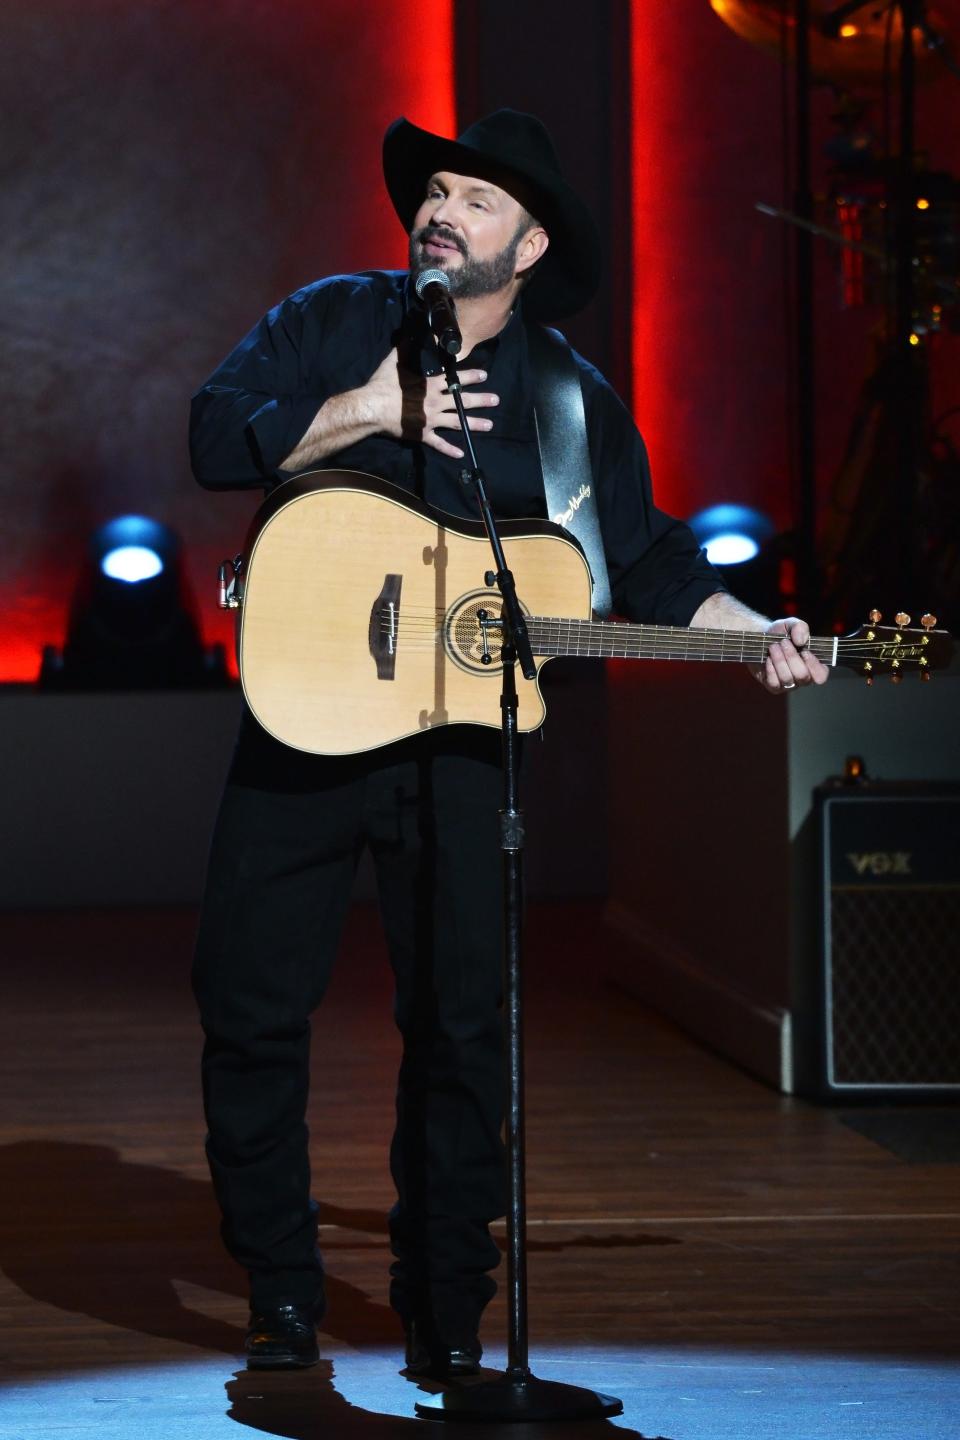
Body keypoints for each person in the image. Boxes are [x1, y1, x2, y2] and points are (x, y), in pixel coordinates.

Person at [188, 108, 828, 1377]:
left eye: (476, 201)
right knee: (251, 1011)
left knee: (464, 1030)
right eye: (435, 190)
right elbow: (215, 435)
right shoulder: (330, 318)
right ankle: (279, 1290)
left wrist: (755, 631)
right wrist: (364, 403)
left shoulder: (571, 403)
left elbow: (646, 563)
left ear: (528, 244)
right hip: (303, 720)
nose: (441, 210)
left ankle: (447, 1313)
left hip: (464, 749)